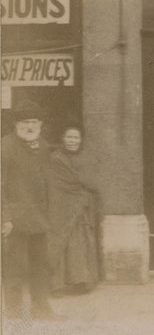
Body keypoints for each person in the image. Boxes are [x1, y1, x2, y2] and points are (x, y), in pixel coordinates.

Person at [1, 100, 63, 321]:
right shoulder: (5, 147)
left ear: (40, 124)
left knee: (40, 265)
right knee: (15, 267)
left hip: (39, 218)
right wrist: (5, 218)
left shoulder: (43, 145)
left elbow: (46, 181)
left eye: (34, 122)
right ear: (16, 124)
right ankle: (13, 312)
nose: (29, 126)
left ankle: (41, 309)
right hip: (15, 219)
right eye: (25, 122)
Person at [47, 125, 102, 295]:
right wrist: (81, 188)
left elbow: (92, 182)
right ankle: (58, 284)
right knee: (61, 243)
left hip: (81, 211)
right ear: (62, 139)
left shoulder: (86, 158)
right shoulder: (55, 159)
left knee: (80, 244)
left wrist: (85, 190)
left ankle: (81, 281)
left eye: (76, 137)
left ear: (81, 140)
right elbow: (55, 184)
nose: (72, 141)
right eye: (69, 137)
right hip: (61, 209)